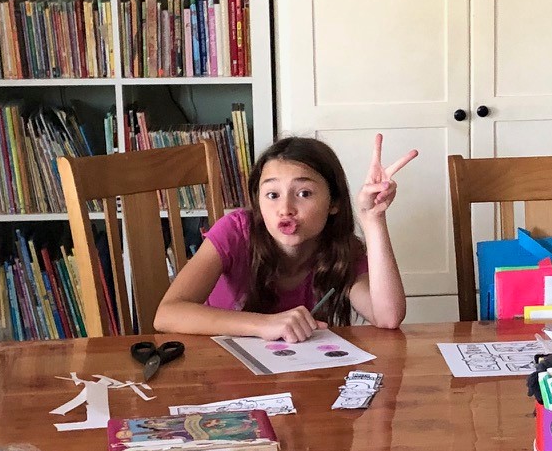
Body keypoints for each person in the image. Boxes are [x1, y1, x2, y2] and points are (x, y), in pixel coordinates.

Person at [155, 134, 413, 342]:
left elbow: (387, 317)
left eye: (304, 193)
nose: (285, 208)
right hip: (223, 373)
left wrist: (373, 218)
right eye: (272, 194)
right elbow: (168, 314)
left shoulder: (341, 250)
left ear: (333, 202)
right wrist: (264, 324)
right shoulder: (235, 231)